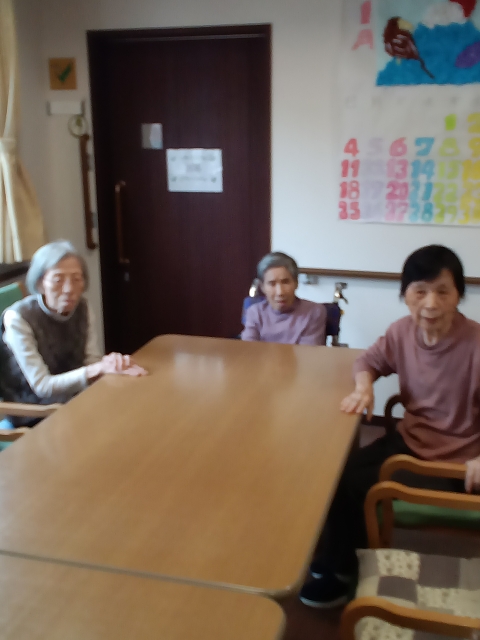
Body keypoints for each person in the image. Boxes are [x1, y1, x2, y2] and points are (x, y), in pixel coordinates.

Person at [299, 244, 480, 609]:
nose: (430, 304)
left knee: (357, 485)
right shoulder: (401, 332)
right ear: (405, 295)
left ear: (459, 295)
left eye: (443, 291)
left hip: (456, 463)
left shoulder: (476, 343)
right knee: (338, 472)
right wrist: (364, 387)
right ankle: (341, 555)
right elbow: (367, 361)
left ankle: (342, 570)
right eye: (420, 291)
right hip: (409, 443)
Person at [0, 240, 147, 428]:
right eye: (58, 280)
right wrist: (98, 369)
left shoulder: (82, 308)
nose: (69, 289)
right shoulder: (18, 318)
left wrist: (112, 365)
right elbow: (42, 386)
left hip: (75, 401)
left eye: (77, 279)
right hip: (35, 415)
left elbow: (91, 361)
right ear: (40, 283)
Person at [241, 252, 327, 345]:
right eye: (272, 284)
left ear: (296, 283)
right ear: (262, 287)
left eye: (285, 282)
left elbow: (307, 352)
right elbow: (249, 349)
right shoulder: (255, 313)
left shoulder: (314, 312)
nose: (280, 292)